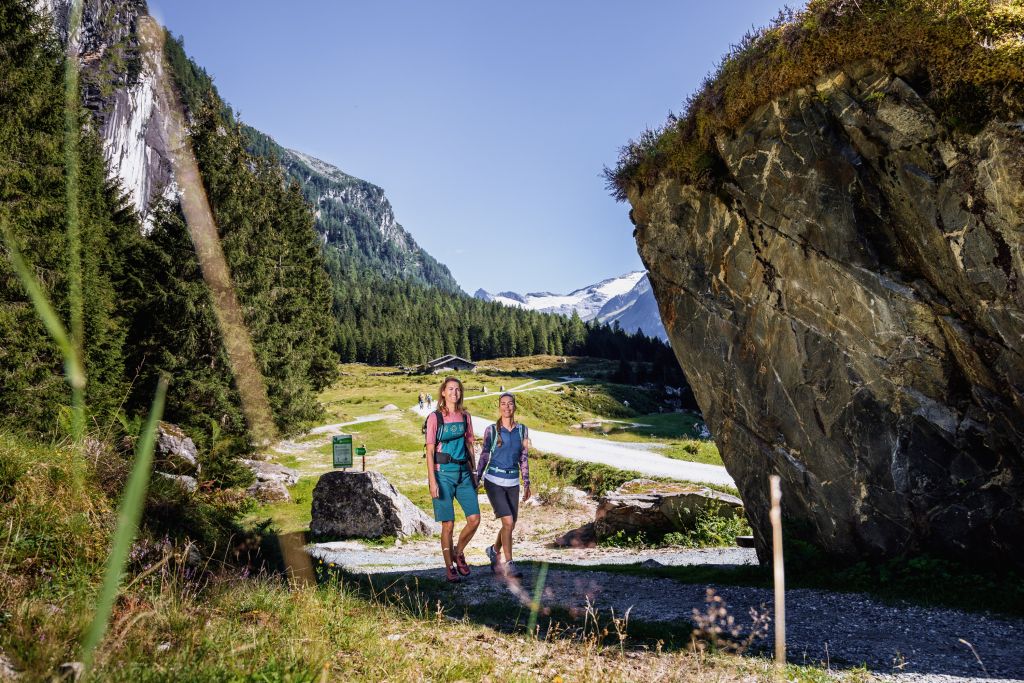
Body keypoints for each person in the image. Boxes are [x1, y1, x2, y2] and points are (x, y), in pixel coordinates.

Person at [425, 377, 480, 582]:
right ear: (443, 393)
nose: (454, 392)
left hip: (464, 473)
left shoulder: (466, 417)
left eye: (457, 389)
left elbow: (470, 446)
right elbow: (430, 452)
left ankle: (458, 551)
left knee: (474, 519)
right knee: (448, 524)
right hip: (442, 474)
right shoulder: (435, 418)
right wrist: (432, 480)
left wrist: (474, 473)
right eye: (450, 389)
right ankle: (449, 566)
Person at [476, 392, 530, 578]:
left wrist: (527, 482)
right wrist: (478, 478)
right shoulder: (492, 430)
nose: (507, 407)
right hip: (494, 481)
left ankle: (493, 550)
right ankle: (509, 563)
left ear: (515, 406)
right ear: (499, 407)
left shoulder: (523, 430)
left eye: (510, 404)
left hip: (513, 482)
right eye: (503, 404)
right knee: (507, 522)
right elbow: (484, 455)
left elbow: (523, 457)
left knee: (511, 525)